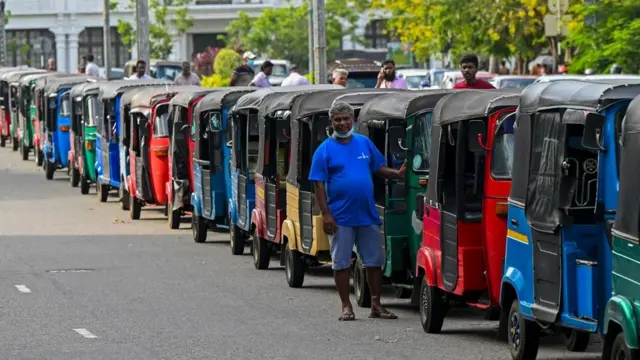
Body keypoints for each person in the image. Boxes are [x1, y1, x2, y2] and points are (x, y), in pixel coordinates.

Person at [309, 101, 405, 322]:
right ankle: (346, 306)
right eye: (337, 119)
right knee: (341, 262)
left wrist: (396, 174)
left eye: (346, 119)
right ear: (331, 122)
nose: (342, 123)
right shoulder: (324, 150)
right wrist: (326, 214)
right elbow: (319, 184)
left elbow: (377, 167)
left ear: (353, 120)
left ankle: (376, 305)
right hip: (340, 216)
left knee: (374, 261)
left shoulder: (364, 143)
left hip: (367, 213)